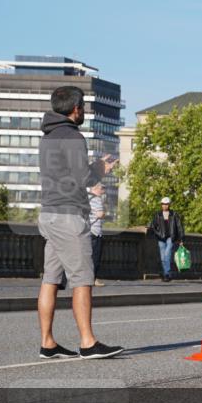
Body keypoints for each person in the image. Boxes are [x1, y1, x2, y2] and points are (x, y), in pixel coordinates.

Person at [36, 85, 123, 360]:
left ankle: (47, 343)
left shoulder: (48, 136)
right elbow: (83, 178)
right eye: (83, 106)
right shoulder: (72, 136)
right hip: (69, 217)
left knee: (50, 280)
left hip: (49, 213)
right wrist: (101, 169)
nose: (84, 110)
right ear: (76, 109)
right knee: (83, 279)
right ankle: (88, 343)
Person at [148, 196, 185, 282]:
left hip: (170, 237)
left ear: (169, 205)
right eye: (163, 204)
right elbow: (153, 226)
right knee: (162, 258)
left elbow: (179, 227)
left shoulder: (174, 214)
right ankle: (166, 274)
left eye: (167, 204)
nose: (165, 206)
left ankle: (167, 274)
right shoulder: (158, 214)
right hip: (161, 238)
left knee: (167, 255)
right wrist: (158, 234)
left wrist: (181, 239)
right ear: (161, 205)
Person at [87, 182, 105, 287]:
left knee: (89, 257)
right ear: (96, 188)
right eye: (102, 188)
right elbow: (101, 214)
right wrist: (100, 214)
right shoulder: (96, 199)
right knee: (95, 257)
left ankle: (90, 278)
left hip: (89, 231)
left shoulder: (86, 198)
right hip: (95, 231)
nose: (103, 191)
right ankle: (92, 278)